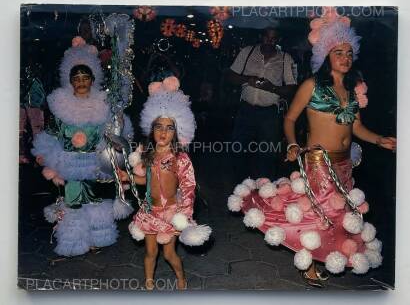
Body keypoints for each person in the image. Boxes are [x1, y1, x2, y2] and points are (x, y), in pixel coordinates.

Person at [227, 7, 396, 288]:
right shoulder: (312, 85)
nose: (344, 58)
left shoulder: (352, 90)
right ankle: (312, 262)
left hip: (344, 162)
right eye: (338, 52)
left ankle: (328, 255)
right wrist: (293, 143)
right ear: (326, 55)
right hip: (318, 160)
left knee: (339, 213)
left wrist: (380, 139)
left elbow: (355, 128)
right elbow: (290, 117)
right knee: (321, 213)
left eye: (348, 53)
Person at [31, 36, 134, 257]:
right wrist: (43, 154)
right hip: (69, 164)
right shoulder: (60, 106)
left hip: (96, 164)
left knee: (97, 202)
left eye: (85, 77)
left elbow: (116, 131)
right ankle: (74, 242)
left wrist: (120, 128)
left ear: (92, 79)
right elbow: (50, 135)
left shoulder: (104, 104)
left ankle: (99, 238)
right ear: (69, 80)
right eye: (76, 78)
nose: (80, 81)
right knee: (73, 203)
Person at [123, 76, 211, 290]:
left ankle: (181, 278)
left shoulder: (180, 158)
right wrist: (127, 178)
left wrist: (184, 213)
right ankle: (149, 282)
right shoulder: (147, 154)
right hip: (149, 211)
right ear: (151, 129)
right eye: (159, 127)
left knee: (170, 254)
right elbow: (144, 180)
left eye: (169, 128)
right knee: (150, 253)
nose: (163, 132)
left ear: (178, 132)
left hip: (170, 212)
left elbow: (189, 187)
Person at [227, 27, 298, 182]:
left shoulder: (286, 59)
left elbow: (292, 89)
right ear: (261, 36)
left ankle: (264, 193)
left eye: (273, 39)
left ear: (278, 40)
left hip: (269, 115)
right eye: (266, 37)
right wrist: (248, 79)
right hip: (245, 110)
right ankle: (241, 188)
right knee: (237, 150)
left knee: (267, 155)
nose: (269, 42)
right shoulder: (247, 52)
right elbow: (231, 76)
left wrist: (271, 87)